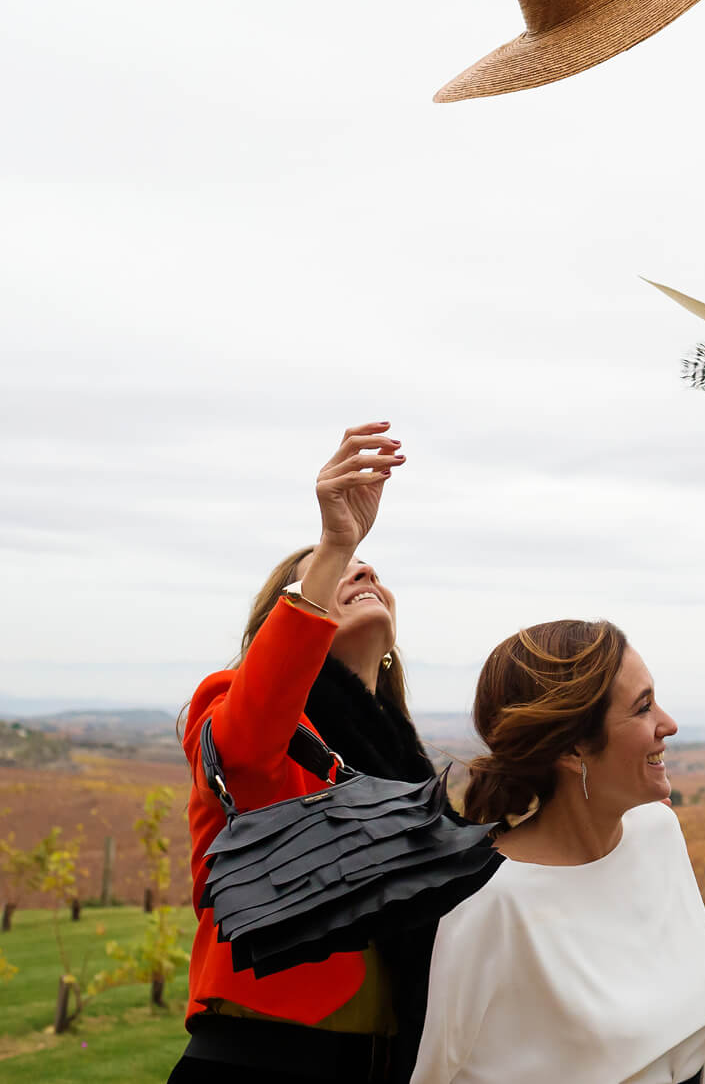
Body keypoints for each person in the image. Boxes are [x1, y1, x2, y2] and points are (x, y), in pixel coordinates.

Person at [173, 422, 435, 1083]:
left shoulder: (406, 766)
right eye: (333, 573)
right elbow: (246, 750)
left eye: (366, 566)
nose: (365, 567)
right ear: (281, 627)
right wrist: (336, 539)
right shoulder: (233, 705)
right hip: (257, 1055)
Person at [410, 619, 705, 1084]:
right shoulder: (489, 901)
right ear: (573, 749)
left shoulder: (659, 832)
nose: (669, 724)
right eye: (643, 708)